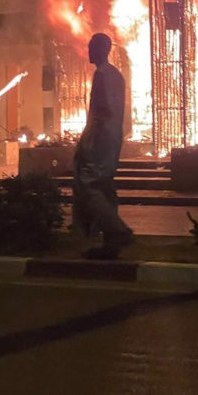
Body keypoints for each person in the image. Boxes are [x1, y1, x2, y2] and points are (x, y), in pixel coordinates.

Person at [73, 33, 134, 260]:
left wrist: (86, 141)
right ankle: (111, 246)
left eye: (91, 46)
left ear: (102, 49)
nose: (88, 50)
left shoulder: (101, 74)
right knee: (106, 186)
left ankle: (118, 230)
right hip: (113, 137)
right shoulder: (117, 75)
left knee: (88, 186)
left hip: (100, 137)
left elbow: (101, 111)